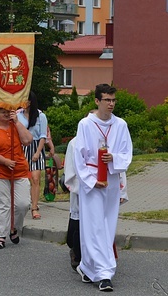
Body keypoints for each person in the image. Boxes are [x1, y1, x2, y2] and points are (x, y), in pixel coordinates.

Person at [74, 84, 132, 292]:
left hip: (112, 179)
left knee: (107, 226)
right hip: (92, 180)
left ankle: (87, 267)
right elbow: (78, 156)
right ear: (97, 101)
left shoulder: (121, 125)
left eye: (113, 100)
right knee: (94, 226)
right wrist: (90, 180)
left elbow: (127, 152)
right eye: (107, 100)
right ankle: (105, 273)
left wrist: (113, 157)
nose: (111, 104)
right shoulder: (86, 124)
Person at [0, 105, 33, 250]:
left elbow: (28, 140)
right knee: (3, 204)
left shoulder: (16, 126)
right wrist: (4, 161)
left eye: (8, 112)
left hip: (19, 170)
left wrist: (17, 122)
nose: (6, 114)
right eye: (3, 112)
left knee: (23, 203)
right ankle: (1, 236)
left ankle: (13, 228)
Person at [16, 91, 48, 220]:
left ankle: (34, 207)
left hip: (36, 146)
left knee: (35, 178)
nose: (24, 103)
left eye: (26, 100)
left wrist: (37, 152)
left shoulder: (41, 116)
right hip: (22, 146)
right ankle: (23, 203)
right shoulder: (18, 115)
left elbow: (43, 135)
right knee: (23, 178)